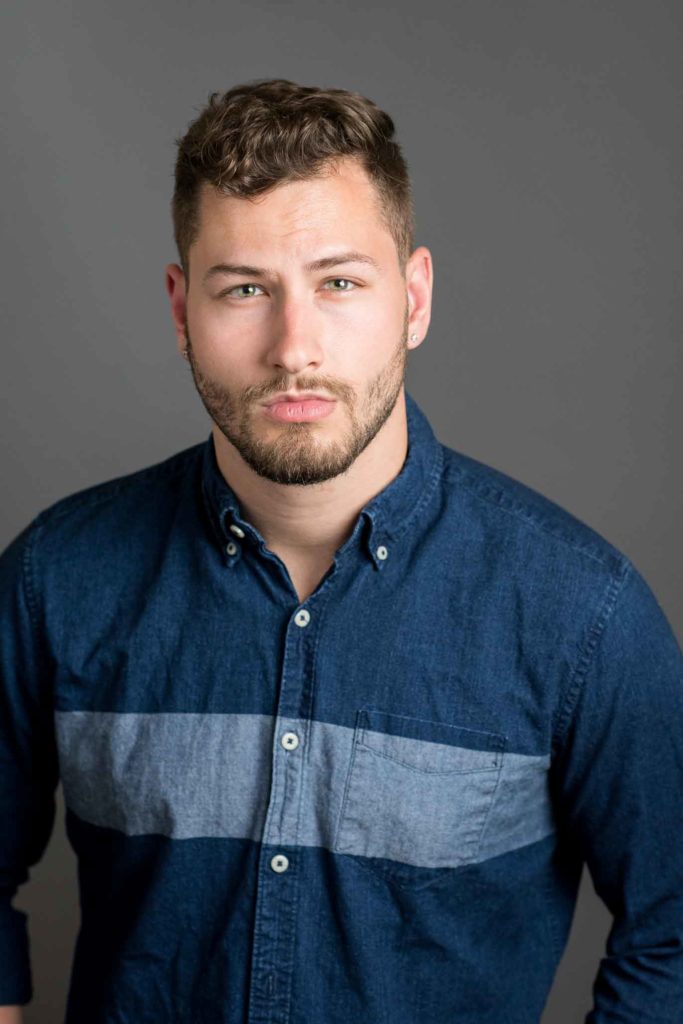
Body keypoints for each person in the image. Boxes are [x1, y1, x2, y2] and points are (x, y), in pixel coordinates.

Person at [0, 77, 681, 1024]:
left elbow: (673, 931)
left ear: (413, 299)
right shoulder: (53, 581)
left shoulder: (581, 611)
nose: (294, 346)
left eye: (340, 282)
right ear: (179, 308)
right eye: (245, 288)